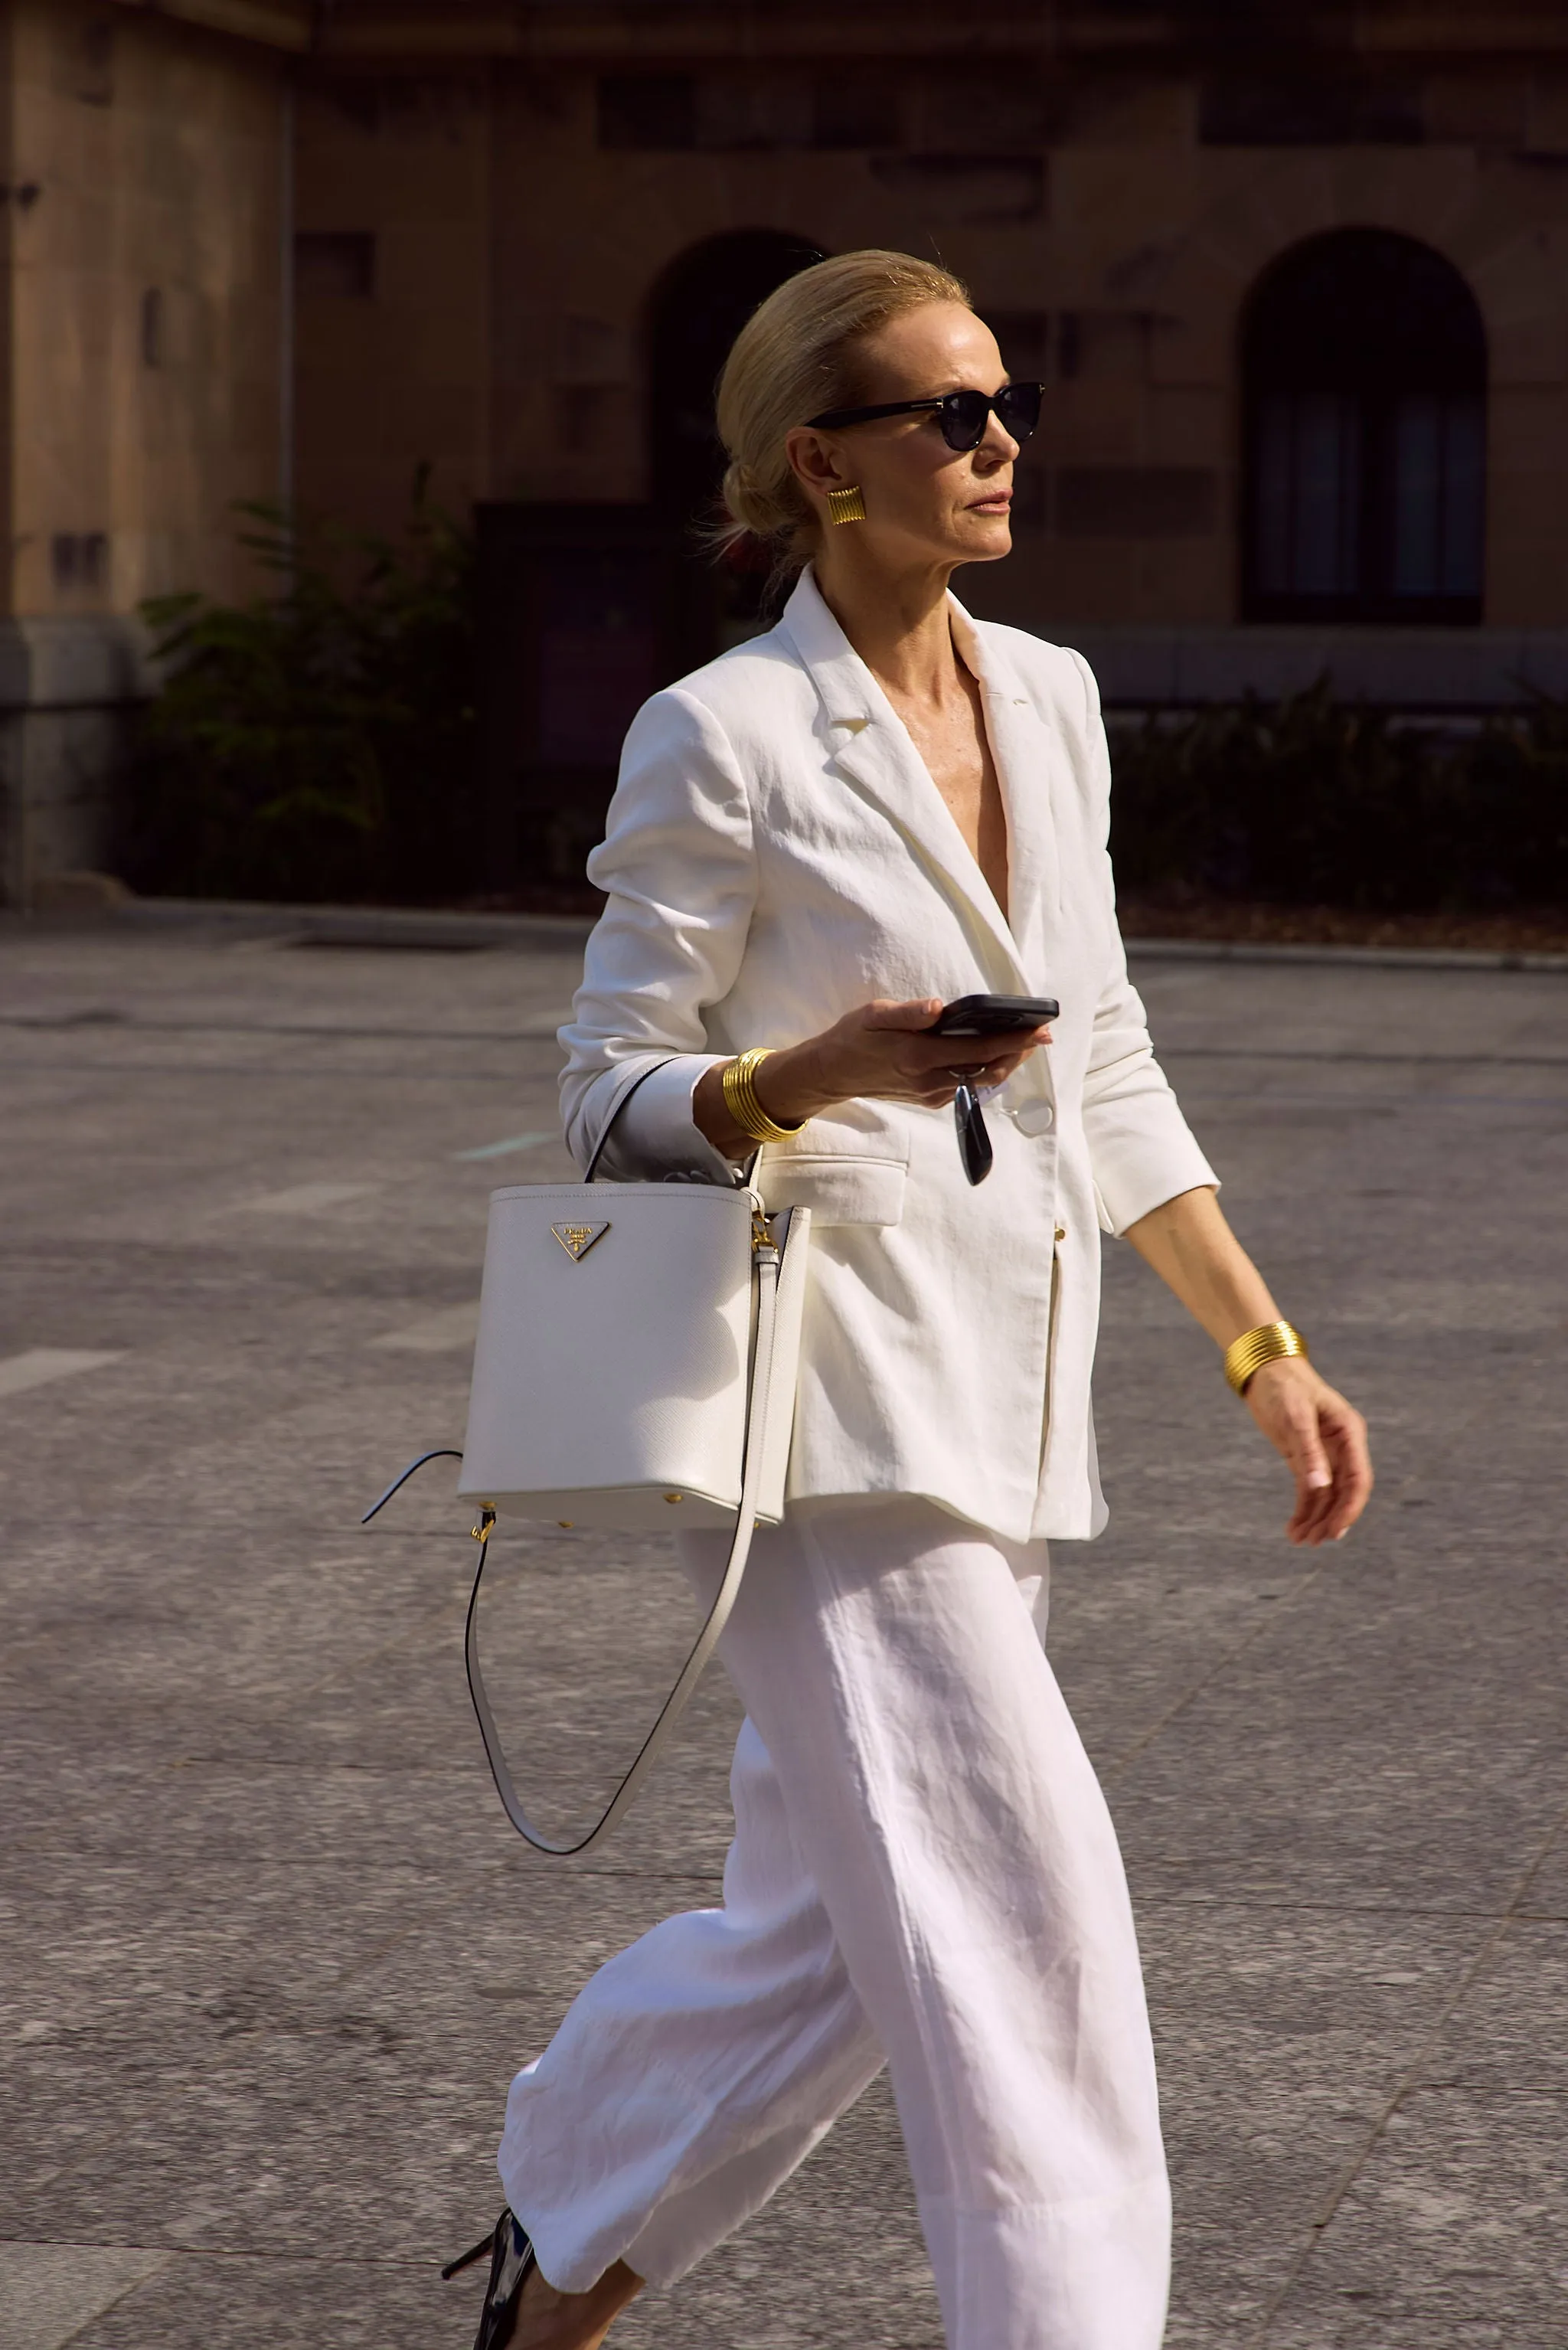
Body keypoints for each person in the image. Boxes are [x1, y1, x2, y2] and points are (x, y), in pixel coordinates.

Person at [457, 249, 1373, 2350]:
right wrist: (813, 1071)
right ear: (824, 465)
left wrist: (1261, 1344)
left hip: (1008, 1401)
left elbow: (1104, 1052)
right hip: (822, 1419)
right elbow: (603, 1091)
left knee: (834, 1940)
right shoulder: (726, 731)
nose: (999, 444)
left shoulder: (1050, 696)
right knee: (1031, 1955)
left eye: (1006, 401)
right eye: (951, 414)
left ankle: (562, 2232)